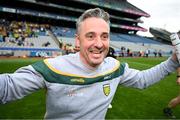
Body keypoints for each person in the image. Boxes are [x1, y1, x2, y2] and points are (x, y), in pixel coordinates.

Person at [0, 8, 179, 119]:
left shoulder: (115, 67)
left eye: (104, 36)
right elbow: (7, 87)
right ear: (77, 41)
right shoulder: (51, 68)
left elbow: (143, 80)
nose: (99, 44)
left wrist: (173, 61)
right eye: (90, 36)